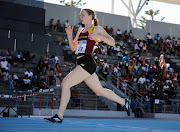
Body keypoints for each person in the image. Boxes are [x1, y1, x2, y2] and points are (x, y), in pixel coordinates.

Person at [44, 8, 131, 123]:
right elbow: (74, 48)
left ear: (91, 16)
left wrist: (100, 38)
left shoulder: (97, 29)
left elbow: (113, 42)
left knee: (65, 83)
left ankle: (59, 115)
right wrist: (70, 36)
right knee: (99, 91)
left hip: (87, 62)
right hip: (80, 62)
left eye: (83, 15)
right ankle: (124, 102)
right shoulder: (80, 30)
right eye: (80, 15)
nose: (81, 17)